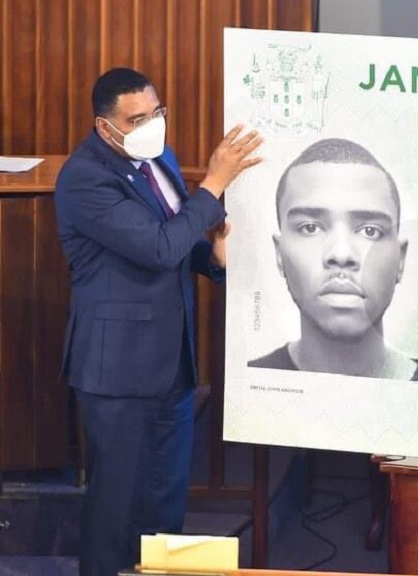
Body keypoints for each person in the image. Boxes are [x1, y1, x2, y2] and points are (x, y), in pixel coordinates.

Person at [55, 67, 262, 576]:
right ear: (106, 127)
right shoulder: (85, 177)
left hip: (172, 365)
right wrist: (214, 182)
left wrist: (211, 256)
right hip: (119, 372)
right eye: (137, 118)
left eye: (157, 112)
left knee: (164, 505)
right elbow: (156, 247)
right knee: (116, 509)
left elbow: (179, 240)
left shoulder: (158, 159)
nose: (152, 125)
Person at [248, 138, 418, 381]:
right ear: (279, 254)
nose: (341, 254)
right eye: (310, 227)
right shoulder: (250, 384)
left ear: (401, 259)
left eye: (370, 231)